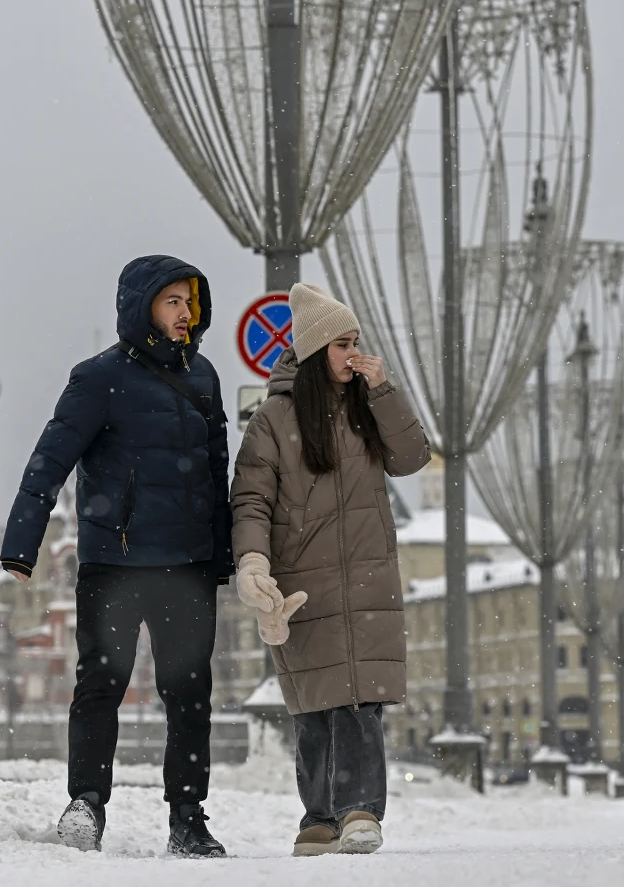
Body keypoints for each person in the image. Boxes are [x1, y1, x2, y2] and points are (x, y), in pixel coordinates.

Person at [0, 254, 233, 857]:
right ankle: (86, 805)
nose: (185, 313)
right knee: (101, 685)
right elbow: (49, 460)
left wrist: (222, 552)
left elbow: (216, 473)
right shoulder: (98, 378)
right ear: (142, 307)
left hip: (185, 565)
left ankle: (188, 819)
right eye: (172, 301)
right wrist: (22, 543)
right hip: (115, 562)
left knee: (189, 694)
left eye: (189, 302)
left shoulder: (203, 377)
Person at [230, 283, 430, 856]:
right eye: (342, 344)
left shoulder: (368, 407)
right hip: (303, 583)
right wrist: (252, 561)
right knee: (314, 705)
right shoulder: (273, 420)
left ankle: (361, 811)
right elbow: (251, 499)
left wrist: (384, 389)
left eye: (355, 342)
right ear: (317, 351)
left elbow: (412, 457)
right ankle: (318, 819)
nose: (353, 353)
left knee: (360, 699)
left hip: (367, 578)